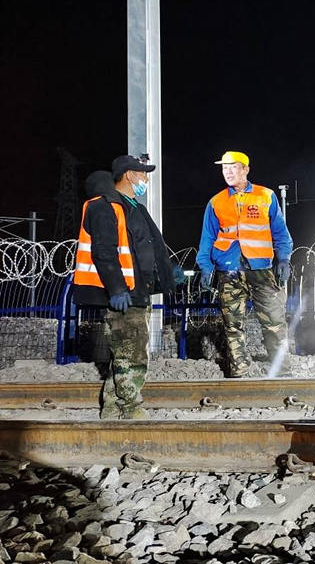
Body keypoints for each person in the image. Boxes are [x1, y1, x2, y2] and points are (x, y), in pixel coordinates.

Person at [73, 155, 185, 419]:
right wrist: (116, 289)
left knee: (125, 354)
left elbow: (143, 251)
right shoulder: (105, 207)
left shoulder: (134, 207)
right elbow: (104, 251)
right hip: (123, 294)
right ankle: (131, 409)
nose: (145, 179)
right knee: (132, 355)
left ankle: (112, 410)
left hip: (137, 290)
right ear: (130, 175)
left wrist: (166, 274)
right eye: (143, 173)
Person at [196, 151, 293, 377]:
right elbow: (207, 238)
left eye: (233, 167)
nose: (227, 172)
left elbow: (281, 233)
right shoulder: (216, 202)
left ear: (246, 169)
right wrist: (205, 266)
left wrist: (284, 259)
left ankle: (282, 370)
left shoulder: (266, 196)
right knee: (232, 325)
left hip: (261, 270)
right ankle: (240, 371)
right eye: (224, 168)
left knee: (274, 322)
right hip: (228, 272)